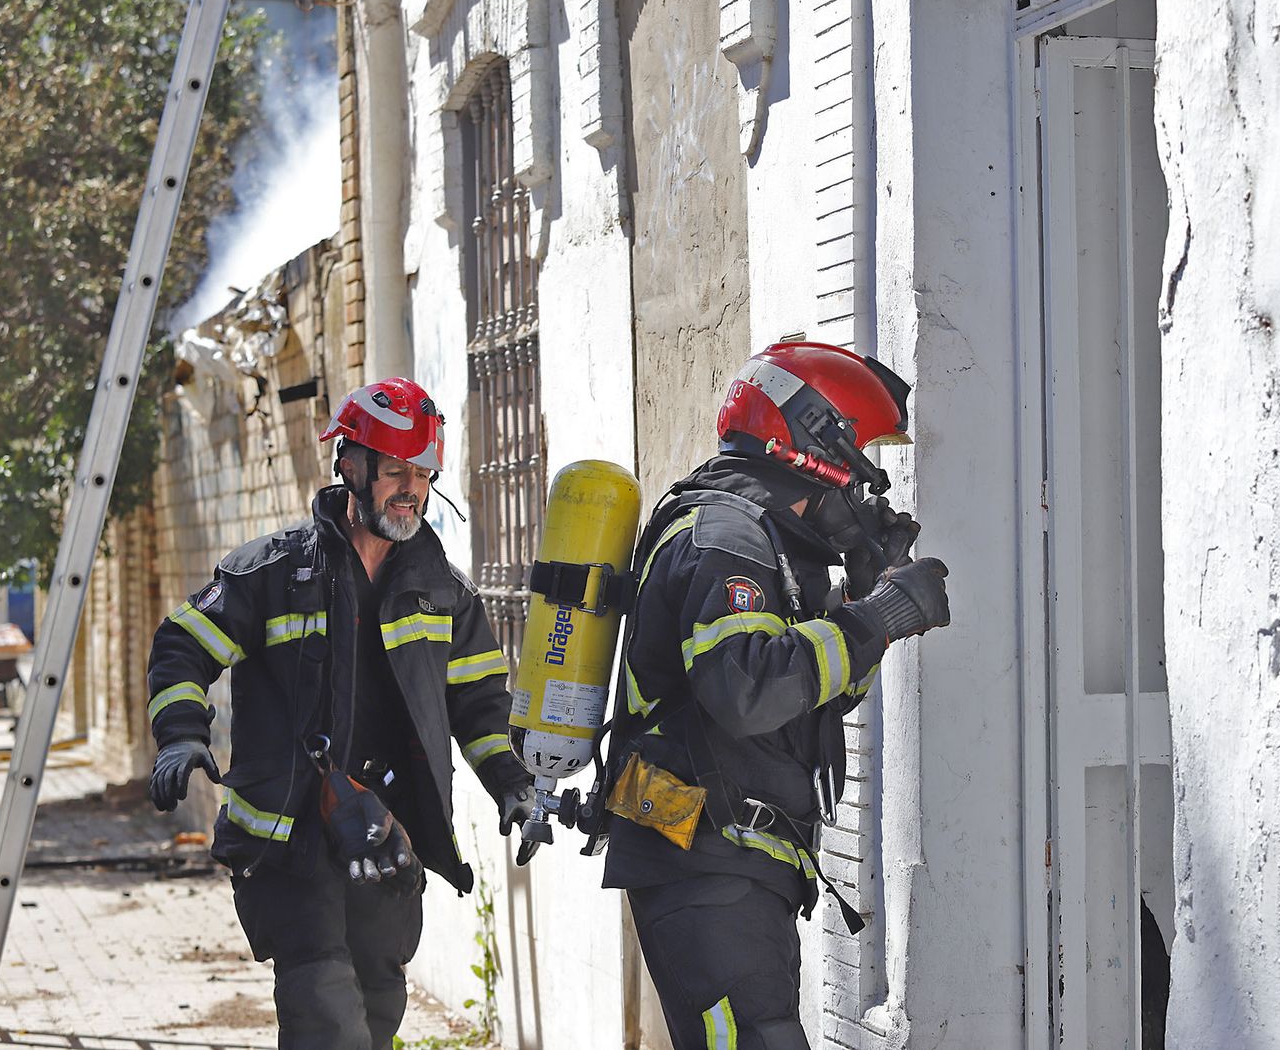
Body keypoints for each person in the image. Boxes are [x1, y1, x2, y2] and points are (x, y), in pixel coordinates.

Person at [144, 377, 537, 1050]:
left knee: (376, 1007)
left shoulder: (443, 594)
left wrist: (513, 785)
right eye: (393, 471)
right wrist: (181, 736)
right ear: (350, 467)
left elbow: (479, 703)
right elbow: (183, 645)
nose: (410, 487)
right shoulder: (273, 572)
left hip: (384, 841)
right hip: (288, 843)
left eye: (422, 472)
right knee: (326, 1015)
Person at [601, 343, 953, 1049]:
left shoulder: (766, 544)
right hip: (702, 861)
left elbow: (807, 702)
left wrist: (864, 601)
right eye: (864, 460)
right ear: (818, 452)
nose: (869, 489)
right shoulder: (725, 538)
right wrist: (877, 617)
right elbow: (750, 690)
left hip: (730, 862)